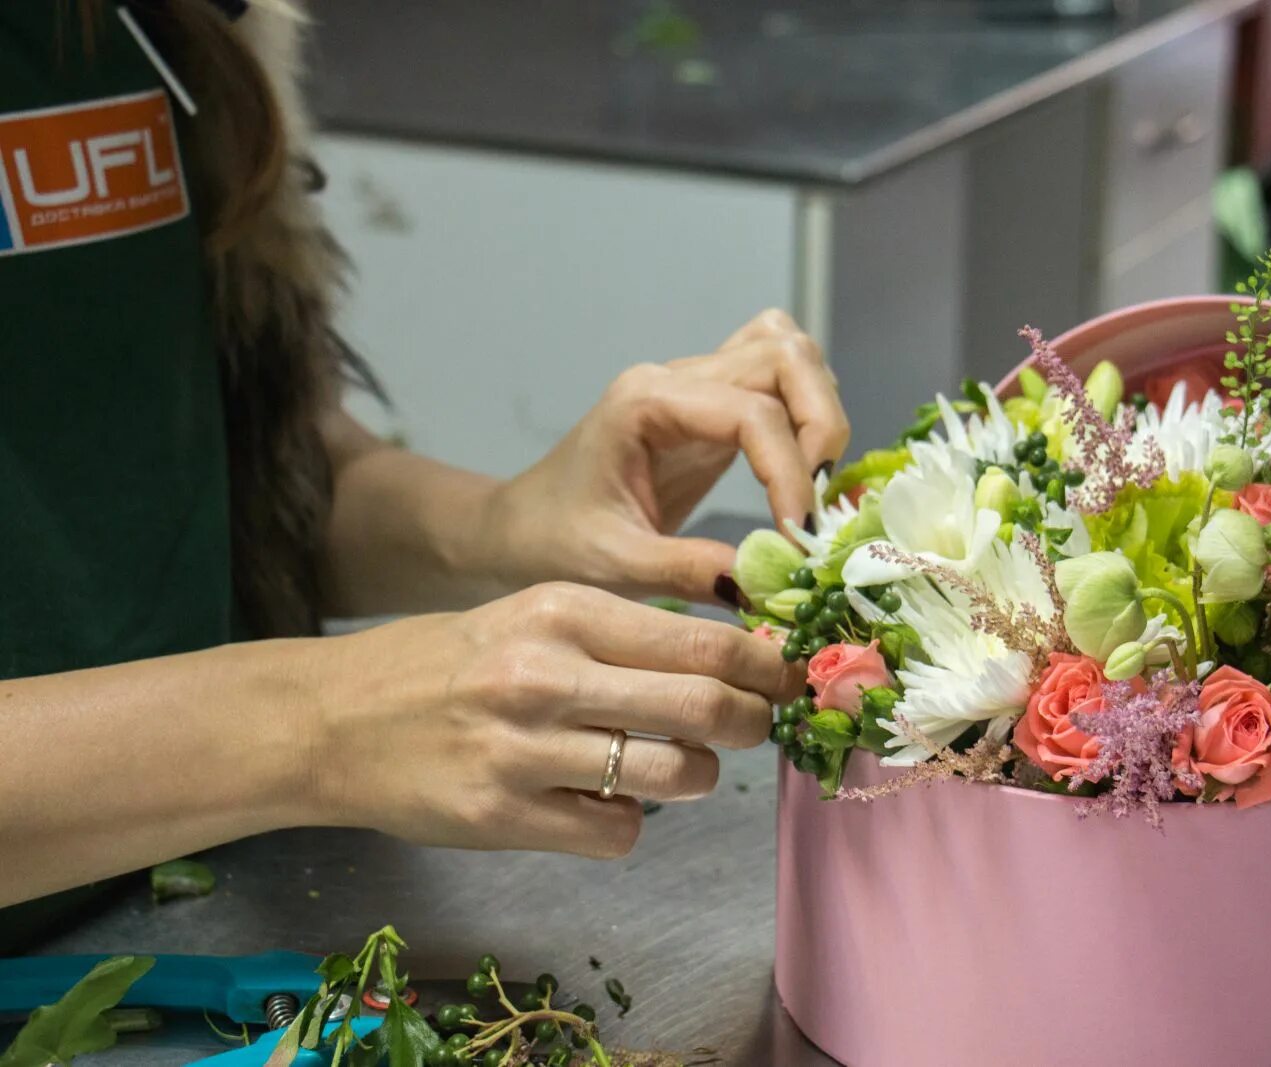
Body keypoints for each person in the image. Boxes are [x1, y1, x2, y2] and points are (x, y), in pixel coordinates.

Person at [0, 0, 847, 914]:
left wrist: (504, 524)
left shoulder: (163, 29)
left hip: (198, 915)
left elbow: (225, 476)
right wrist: (313, 722)